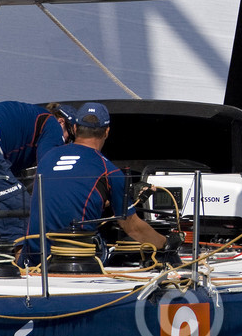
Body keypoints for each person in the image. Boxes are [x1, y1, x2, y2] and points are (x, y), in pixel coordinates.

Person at [27, 103, 165, 257]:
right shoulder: (109, 170)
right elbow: (134, 229)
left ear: (74, 129)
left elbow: (68, 196)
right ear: (106, 132)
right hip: (74, 258)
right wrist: (166, 243)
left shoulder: (47, 158)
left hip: (33, 258)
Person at [0, 101, 69, 243]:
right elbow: (46, 173)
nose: (64, 144)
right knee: (22, 217)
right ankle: (22, 264)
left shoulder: (25, 122)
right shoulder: (52, 124)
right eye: (68, 137)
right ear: (61, 122)